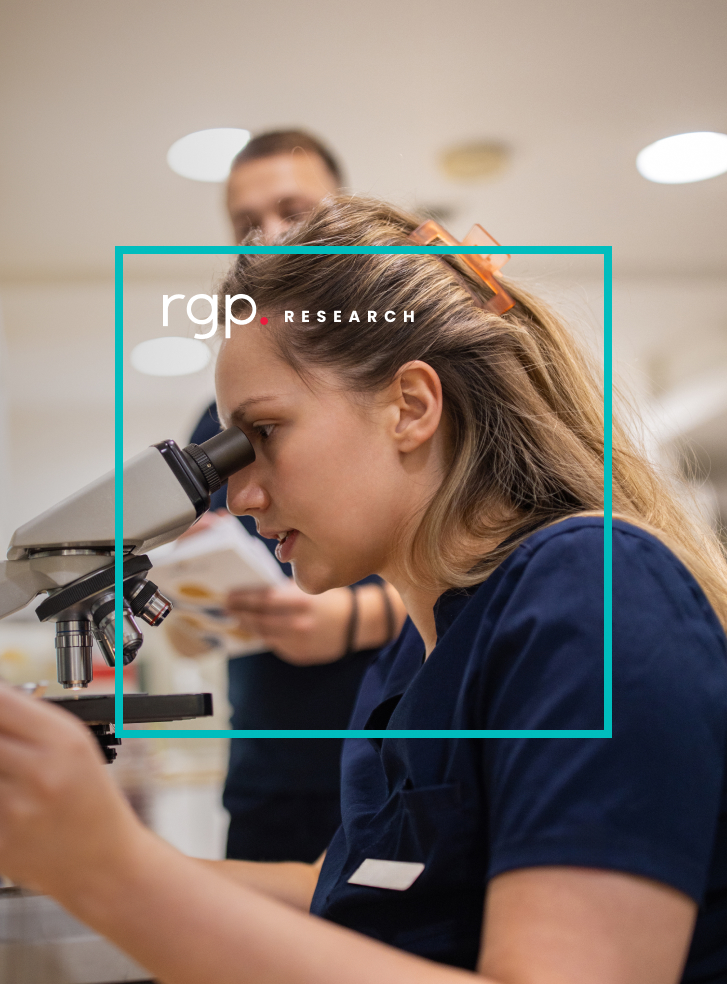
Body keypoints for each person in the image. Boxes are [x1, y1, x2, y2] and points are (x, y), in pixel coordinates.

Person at [1, 195, 726, 984]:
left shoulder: (592, 590)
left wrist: (113, 875)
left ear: (409, 407)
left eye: (264, 434)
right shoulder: (417, 652)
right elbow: (348, 893)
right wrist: (65, 856)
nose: (239, 496)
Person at [171, 130, 407, 863]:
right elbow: (190, 631)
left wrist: (349, 619)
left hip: (385, 758)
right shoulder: (215, 423)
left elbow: (467, 556)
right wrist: (194, 606)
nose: (267, 237)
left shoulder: (396, 375)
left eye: (292, 211)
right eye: (247, 224)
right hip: (269, 772)